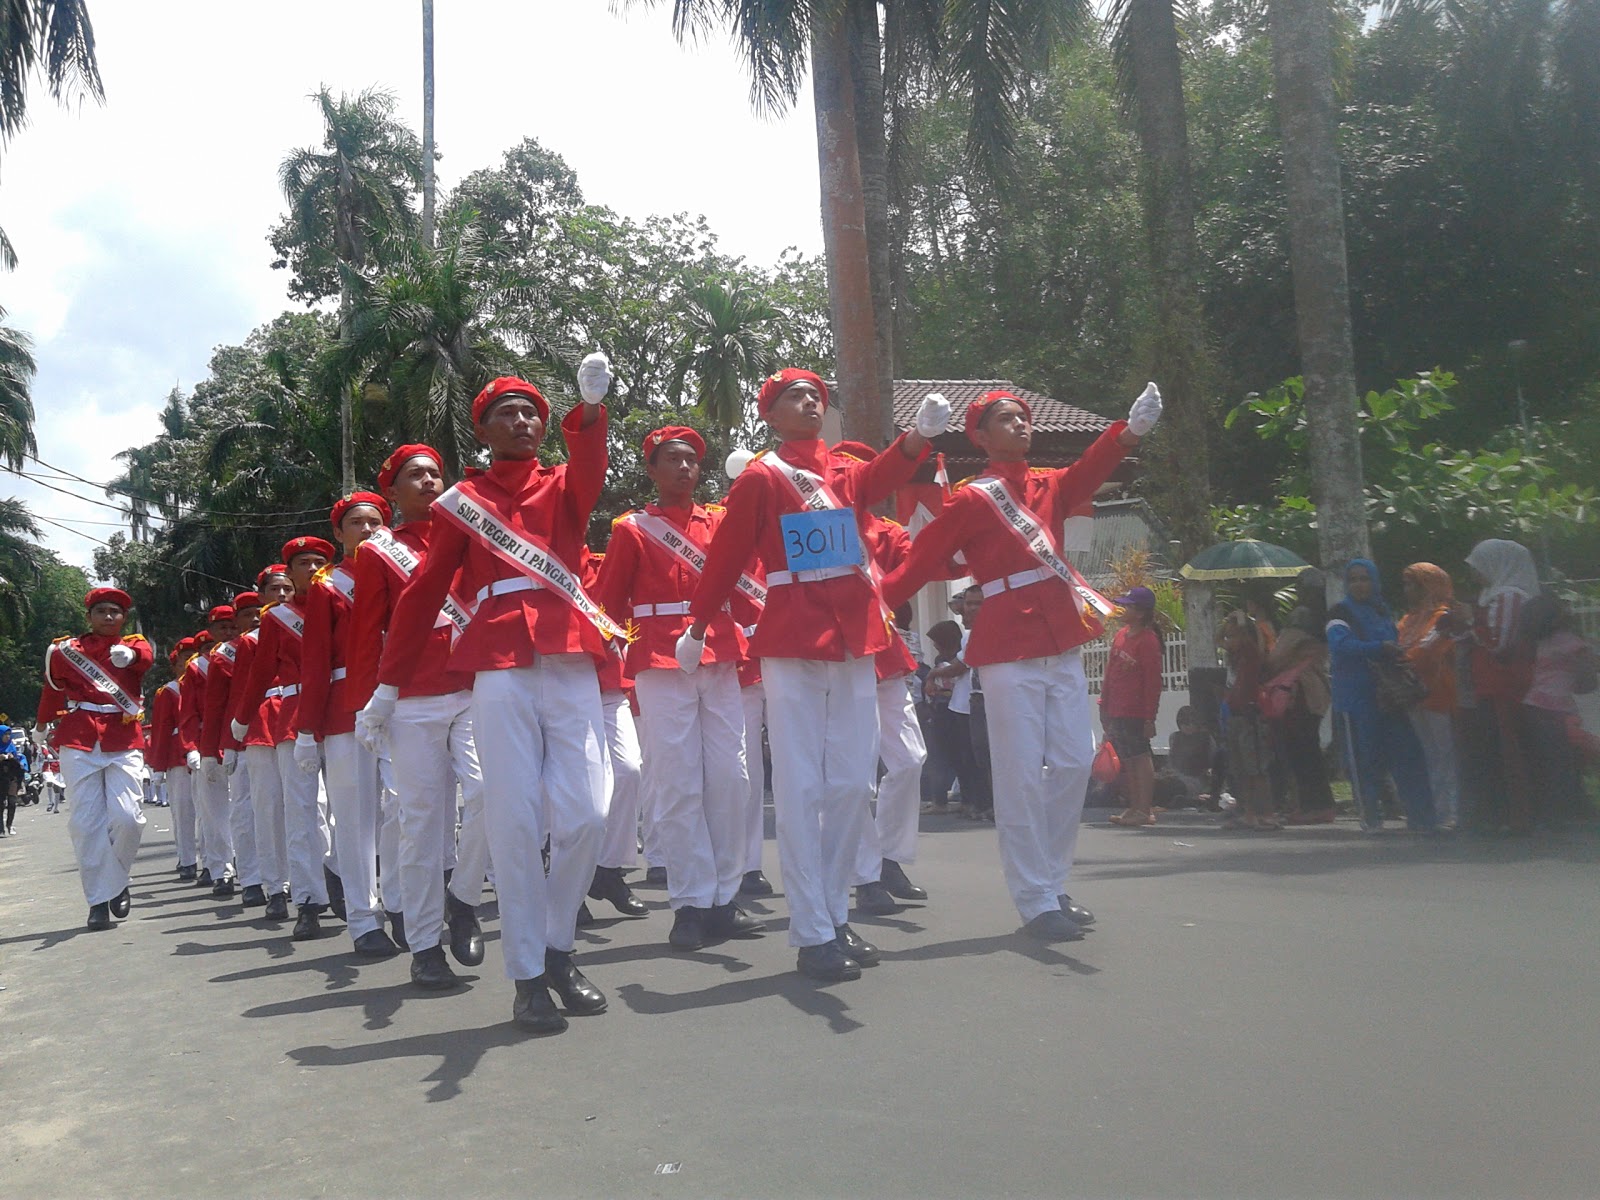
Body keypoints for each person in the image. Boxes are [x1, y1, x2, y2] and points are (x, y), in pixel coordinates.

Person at [359, 358, 616, 1034]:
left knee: (589, 812)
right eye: (508, 413)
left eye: (532, 411)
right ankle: (530, 973)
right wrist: (387, 685)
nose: (524, 421)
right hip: (500, 665)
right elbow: (419, 599)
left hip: (567, 653)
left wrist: (589, 412)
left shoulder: (563, 487)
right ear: (484, 429)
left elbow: (588, 469)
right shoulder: (460, 505)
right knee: (513, 821)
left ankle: (558, 945)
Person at [686, 369, 947, 980]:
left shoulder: (844, 473)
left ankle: (834, 915)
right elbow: (725, 557)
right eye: (791, 398)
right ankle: (811, 931)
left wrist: (915, 440)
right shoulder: (761, 476)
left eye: (816, 397)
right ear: (770, 415)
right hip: (794, 638)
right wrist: (697, 627)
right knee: (803, 789)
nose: (808, 403)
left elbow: (881, 476)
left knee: (853, 786)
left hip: (856, 642)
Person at [882, 383, 1163, 940]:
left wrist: (1129, 433)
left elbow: (1090, 466)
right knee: (1017, 774)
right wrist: (876, 603)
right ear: (981, 437)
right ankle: (1035, 898)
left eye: (1023, 418)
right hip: (1008, 643)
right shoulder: (972, 498)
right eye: (1006, 420)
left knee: (1074, 760)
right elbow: (924, 559)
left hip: (1059, 636)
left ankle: (1055, 881)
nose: (1020, 426)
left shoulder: (1050, 486)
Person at [594, 425, 762, 952]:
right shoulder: (631, 529)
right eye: (672, 459)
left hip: (720, 654)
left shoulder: (720, 522)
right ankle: (691, 901)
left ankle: (725, 896)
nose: (685, 468)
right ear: (652, 468)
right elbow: (607, 604)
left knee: (731, 778)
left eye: (692, 459)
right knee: (677, 781)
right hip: (660, 660)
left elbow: (748, 585)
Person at [348, 443, 490, 990]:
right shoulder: (379, 553)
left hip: (477, 687)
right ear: (394, 491)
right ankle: (426, 946)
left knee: (488, 795)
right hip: (411, 700)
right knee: (421, 824)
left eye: (435, 473)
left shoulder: (475, 533)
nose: (429, 482)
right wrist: (370, 706)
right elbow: (366, 636)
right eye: (415, 475)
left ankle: (464, 900)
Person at [297, 491, 404, 958]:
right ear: (338, 534)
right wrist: (307, 731)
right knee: (357, 818)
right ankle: (363, 918)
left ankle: (401, 901)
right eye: (357, 523)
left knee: (404, 807)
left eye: (376, 521)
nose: (368, 529)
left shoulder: (404, 568)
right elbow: (316, 662)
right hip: (346, 710)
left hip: (403, 700)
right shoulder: (327, 586)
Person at [232, 537, 337, 939]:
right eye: (303, 564)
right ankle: (307, 898)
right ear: (289, 573)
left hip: (343, 710)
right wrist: (239, 724)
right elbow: (258, 675)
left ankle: (340, 880)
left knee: (350, 809)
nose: (311, 570)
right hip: (293, 719)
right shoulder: (276, 620)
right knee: (301, 811)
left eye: (318, 562)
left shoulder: (344, 598)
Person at [36, 587, 153, 930]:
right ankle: (99, 900)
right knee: (86, 824)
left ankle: (116, 880)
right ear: (88, 617)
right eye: (101, 611)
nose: (108, 617)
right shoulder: (65, 651)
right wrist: (41, 724)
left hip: (122, 735)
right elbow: (52, 689)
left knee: (128, 817)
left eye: (115, 612)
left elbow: (145, 659)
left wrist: (129, 658)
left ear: (124, 618)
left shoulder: (135, 645)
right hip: (79, 737)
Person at [1327, 559, 1435, 832]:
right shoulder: (1340, 613)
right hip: (1356, 698)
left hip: (1388, 696)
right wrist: (1378, 648)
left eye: (1364, 579)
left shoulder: (1381, 611)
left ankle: (1422, 817)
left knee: (1407, 754)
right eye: (1353, 580)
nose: (1359, 585)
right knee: (1365, 760)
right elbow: (1340, 646)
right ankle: (1370, 815)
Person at [1459, 538, 1539, 834]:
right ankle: (1503, 813)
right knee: (1496, 749)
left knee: (1509, 749)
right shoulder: (1491, 596)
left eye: (1479, 566)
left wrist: (1470, 623)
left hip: (1505, 684)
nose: (1475, 573)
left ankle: (1519, 816)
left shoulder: (1508, 597)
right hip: (1491, 684)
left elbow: (1498, 644)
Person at [1265, 569, 1335, 824]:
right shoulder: (1325, 615)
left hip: (1299, 690)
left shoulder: (1301, 616)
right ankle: (1320, 803)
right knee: (1310, 749)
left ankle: (1312, 805)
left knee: (1300, 750)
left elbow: (1279, 656)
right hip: (1318, 688)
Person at [1519, 595, 1596, 823]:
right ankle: (1568, 811)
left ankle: (1558, 812)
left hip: (1540, 707)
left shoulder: (1549, 641)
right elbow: (1589, 664)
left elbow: (1586, 664)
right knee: (1563, 762)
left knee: (1555, 762)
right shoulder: (1564, 640)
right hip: (1556, 708)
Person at [1397, 563, 1462, 830]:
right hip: (1413, 696)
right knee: (1428, 755)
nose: (1406, 590)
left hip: (1439, 694)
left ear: (1427, 587)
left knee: (1445, 755)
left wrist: (1401, 659)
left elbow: (1427, 651)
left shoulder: (1443, 617)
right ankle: (1436, 810)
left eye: (1412, 584)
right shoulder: (1408, 619)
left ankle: (1451, 812)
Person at [1101, 586, 1163, 827]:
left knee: (1140, 756)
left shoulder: (1147, 641)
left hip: (1136, 710)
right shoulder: (1121, 636)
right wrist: (1104, 704)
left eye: (1128, 606)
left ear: (1140, 612)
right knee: (1127, 759)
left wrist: (1150, 717)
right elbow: (1110, 674)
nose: (1123, 609)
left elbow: (1153, 682)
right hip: (1118, 708)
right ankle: (1134, 806)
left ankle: (1144, 809)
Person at [1219, 611, 1277, 831]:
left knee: (1256, 769)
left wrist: (1245, 622)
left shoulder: (1251, 653)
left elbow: (1257, 643)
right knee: (1241, 769)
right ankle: (1249, 813)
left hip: (1250, 715)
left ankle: (1267, 814)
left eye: (1234, 636)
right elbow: (1218, 638)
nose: (1229, 641)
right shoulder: (1235, 658)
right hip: (1235, 715)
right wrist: (1230, 621)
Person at [150, 639, 200, 877]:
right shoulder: (169, 692)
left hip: (207, 749)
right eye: (185, 657)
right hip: (178, 757)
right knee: (183, 811)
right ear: (176, 664)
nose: (190, 661)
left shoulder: (205, 680)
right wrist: (158, 766)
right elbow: (161, 731)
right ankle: (188, 858)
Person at [918, 619, 964, 812]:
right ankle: (940, 799)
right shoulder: (942, 661)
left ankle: (940, 802)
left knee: (940, 756)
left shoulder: (955, 661)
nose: (935, 645)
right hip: (945, 710)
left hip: (947, 711)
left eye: (937, 640)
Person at [1164, 705, 1217, 807]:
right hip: (1177, 776)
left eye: (1192, 723)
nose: (1188, 726)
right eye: (1184, 723)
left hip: (1197, 779)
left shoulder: (1206, 739)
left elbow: (1214, 763)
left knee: (1175, 787)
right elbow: (1171, 761)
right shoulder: (1174, 737)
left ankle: (1187, 800)